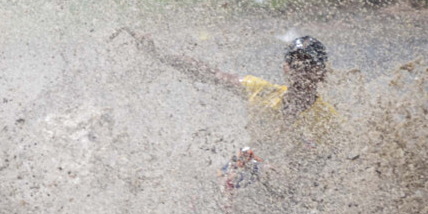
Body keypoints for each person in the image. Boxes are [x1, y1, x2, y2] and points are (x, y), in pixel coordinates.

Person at [134, 32, 339, 157]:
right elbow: (209, 73)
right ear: (285, 68)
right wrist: (159, 55)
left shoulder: (328, 120)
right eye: (295, 62)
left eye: (308, 64)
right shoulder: (261, 90)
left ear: (321, 72)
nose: (300, 69)